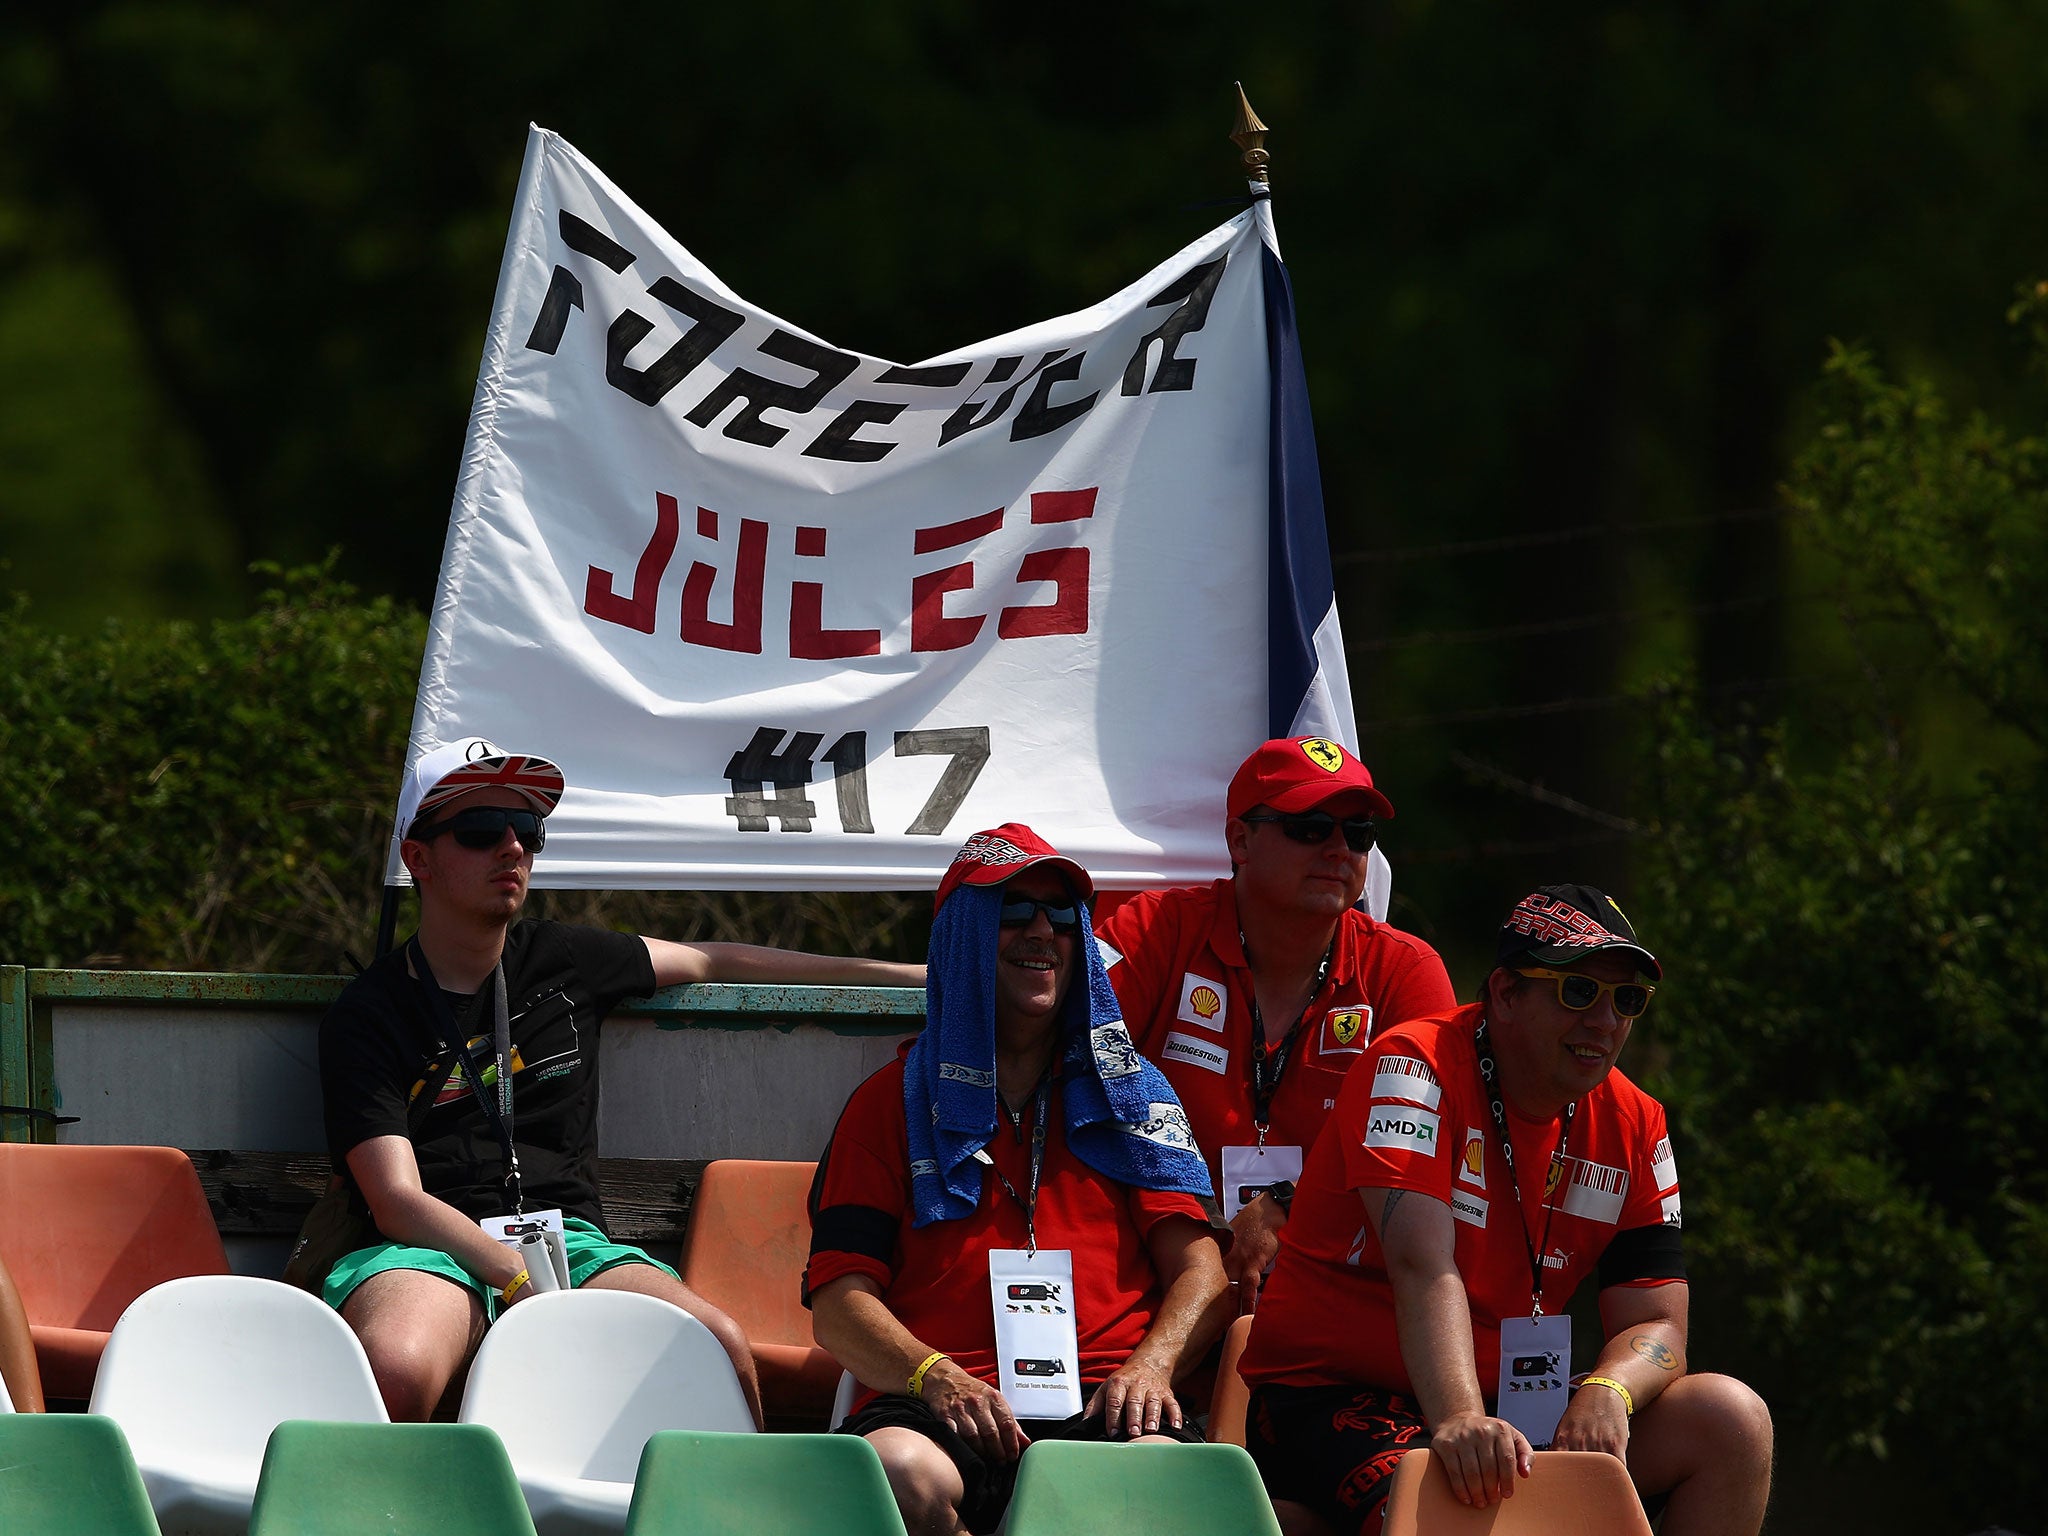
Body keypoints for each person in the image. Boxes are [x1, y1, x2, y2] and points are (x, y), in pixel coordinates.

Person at [317, 737, 924, 1424]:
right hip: (425, 1252)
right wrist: (517, 1279)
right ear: (417, 857)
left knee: (715, 1343)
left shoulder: (565, 959)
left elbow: (713, 959)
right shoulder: (367, 1012)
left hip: (566, 1243)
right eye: (482, 831)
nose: (512, 849)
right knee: (397, 1365)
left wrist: (917, 979)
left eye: (528, 831)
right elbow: (396, 1200)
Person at [1236, 886, 1773, 1536]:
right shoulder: (1413, 1067)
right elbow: (1422, 1264)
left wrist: (1611, 1390)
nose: (1604, 1023)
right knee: (1471, 1497)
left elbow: (1660, 1324)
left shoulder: (1639, 1122)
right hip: (1333, 1393)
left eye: (1626, 1000)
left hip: (1515, 1404)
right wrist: (1461, 1418)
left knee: (1730, 1419)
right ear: (1506, 993)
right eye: (1578, 992)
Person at [807, 824, 1232, 1536]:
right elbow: (838, 1306)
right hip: (945, 1404)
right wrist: (934, 1375)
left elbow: (1205, 1274)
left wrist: (1152, 1368)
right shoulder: (886, 1102)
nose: (1044, 931)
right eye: (1014, 911)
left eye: (1063, 914)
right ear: (963, 937)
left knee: (1166, 1479)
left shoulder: (1135, 1093)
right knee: (895, 1472)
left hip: (1108, 1399)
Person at [1096, 737, 1456, 1291]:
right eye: (1309, 827)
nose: (1339, 849)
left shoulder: (1404, 970)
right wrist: (1187, 1233)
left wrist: (1286, 1203)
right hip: (1154, 1259)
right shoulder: (1156, 929)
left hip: (1328, 1278)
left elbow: (1422, 1152)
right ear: (1240, 840)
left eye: (1358, 833)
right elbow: (1070, 1058)